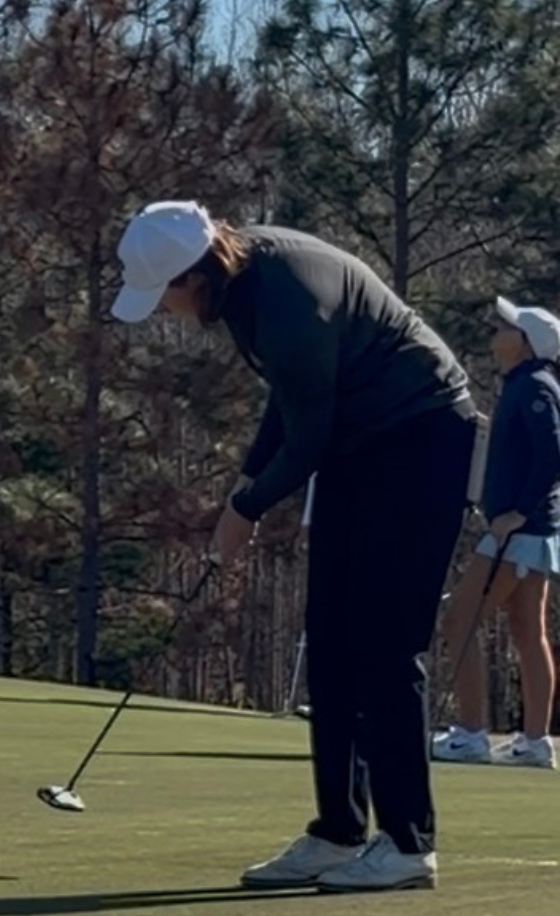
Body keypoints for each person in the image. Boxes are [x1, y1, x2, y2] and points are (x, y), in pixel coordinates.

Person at [111, 201, 478, 893]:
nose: (161, 311)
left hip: (423, 436)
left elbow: (307, 437)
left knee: (383, 641)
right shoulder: (243, 284)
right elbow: (291, 403)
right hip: (362, 442)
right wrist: (242, 491)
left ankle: (408, 843)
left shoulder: (280, 298)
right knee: (331, 636)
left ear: (192, 277)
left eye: (161, 296)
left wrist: (245, 509)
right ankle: (339, 832)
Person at [431, 297, 560, 769]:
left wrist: (516, 513)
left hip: (519, 532)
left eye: (506, 328)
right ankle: (535, 741)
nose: (495, 330)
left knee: (460, 619)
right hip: (533, 533)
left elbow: (553, 455)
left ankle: (470, 734)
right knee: (528, 630)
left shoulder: (534, 388)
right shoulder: (527, 384)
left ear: (524, 345)